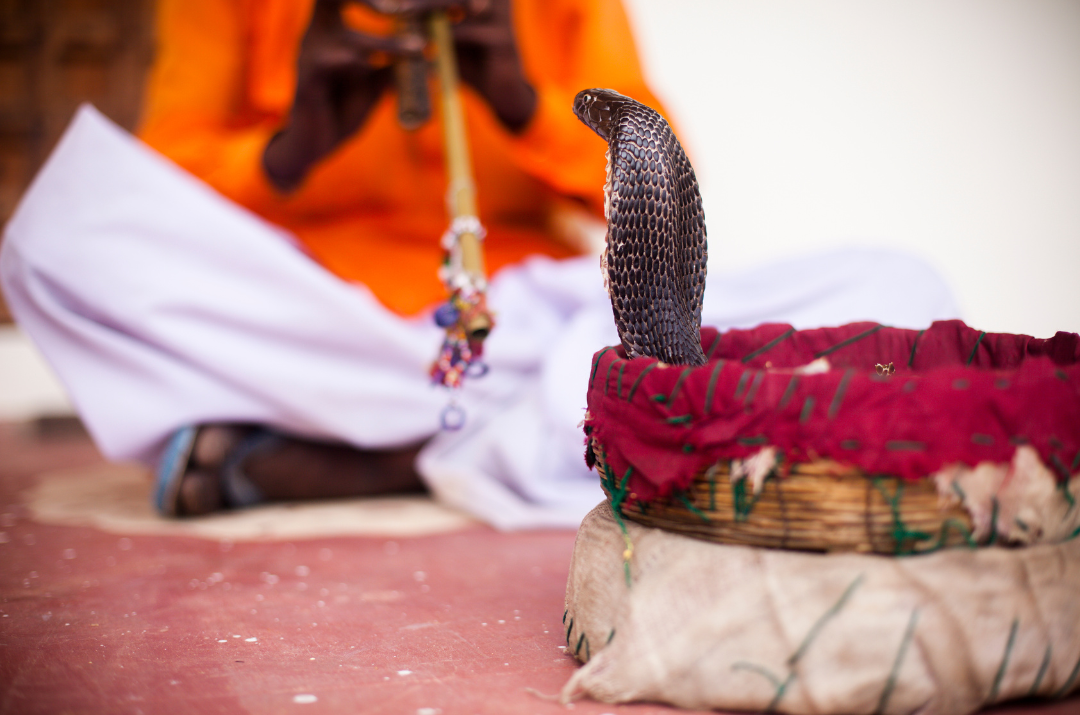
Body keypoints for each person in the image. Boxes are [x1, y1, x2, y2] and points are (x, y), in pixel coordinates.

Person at [0, 0, 960, 529]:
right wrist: (294, 144)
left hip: (531, 319)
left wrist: (523, 101)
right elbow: (153, 190)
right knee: (52, 237)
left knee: (899, 288)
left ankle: (391, 458)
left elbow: (658, 174)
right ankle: (522, 436)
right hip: (327, 333)